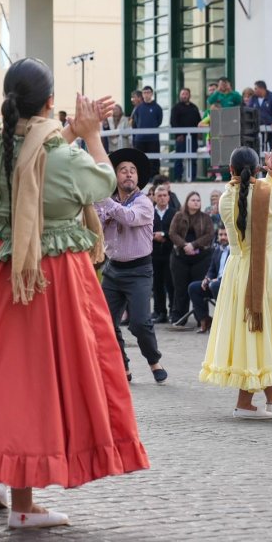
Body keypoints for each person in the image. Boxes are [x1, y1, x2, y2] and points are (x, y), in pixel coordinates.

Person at [0, 58, 149, 529]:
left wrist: (67, 132)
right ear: (51, 103)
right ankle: (23, 505)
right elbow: (102, 184)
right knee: (35, 382)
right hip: (42, 272)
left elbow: (28, 160)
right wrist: (90, 134)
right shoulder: (67, 158)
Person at [199, 144, 272, 419]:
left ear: (230, 171)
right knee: (262, 330)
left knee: (258, 333)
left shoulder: (226, 197)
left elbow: (254, 194)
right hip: (267, 272)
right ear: (257, 171)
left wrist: (271, 177)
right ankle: (244, 403)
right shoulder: (269, 195)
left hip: (239, 270)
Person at [97, 147, 169, 383]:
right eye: (123, 171)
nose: (129, 174)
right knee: (105, 322)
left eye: (133, 171)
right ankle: (123, 366)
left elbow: (129, 218)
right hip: (113, 269)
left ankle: (153, 360)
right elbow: (95, 222)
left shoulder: (144, 203)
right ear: (115, 177)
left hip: (139, 270)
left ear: (138, 178)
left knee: (139, 323)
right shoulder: (107, 202)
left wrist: (105, 201)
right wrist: (101, 209)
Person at [168, 191, 214, 327]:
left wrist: (194, 245)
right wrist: (184, 245)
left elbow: (209, 234)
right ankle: (179, 316)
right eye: (193, 200)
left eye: (198, 200)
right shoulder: (179, 216)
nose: (196, 202)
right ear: (187, 201)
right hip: (180, 257)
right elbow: (172, 233)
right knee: (180, 287)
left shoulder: (205, 218)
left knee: (198, 286)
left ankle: (201, 317)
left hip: (200, 257)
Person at [187, 225, 229, 334]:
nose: (223, 237)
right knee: (194, 287)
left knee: (214, 285)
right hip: (214, 283)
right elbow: (212, 269)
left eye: (226, 234)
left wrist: (219, 279)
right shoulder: (217, 250)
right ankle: (205, 320)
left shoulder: (235, 252)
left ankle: (221, 321)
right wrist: (207, 278)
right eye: (220, 235)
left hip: (229, 285)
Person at [151, 185, 176, 324]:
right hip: (153, 254)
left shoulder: (174, 212)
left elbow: (176, 230)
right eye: (159, 196)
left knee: (170, 283)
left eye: (164, 195)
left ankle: (173, 310)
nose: (162, 198)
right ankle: (160, 312)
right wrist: (153, 235)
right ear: (154, 197)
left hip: (170, 254)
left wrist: (164, 234)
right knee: (157, 284)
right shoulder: (149, 212)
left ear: (168, 197)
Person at [169, 87, 202, 181]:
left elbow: (199, 121)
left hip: (193, 137)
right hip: (181, 138)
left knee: (193, 159)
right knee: (179, 158)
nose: (184, 96)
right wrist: (178, 135)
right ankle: (177, 178)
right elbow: (173, 122)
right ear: (180, 95)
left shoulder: (194, 107)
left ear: (189, 95)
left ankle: (193, 177)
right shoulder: (176, 108)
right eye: (182, 94)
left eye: (186, 94)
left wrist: (199, 133)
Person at [131, 85, 164, 174]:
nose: (146, 95)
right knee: (140, 160)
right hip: (140, 139)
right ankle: (141, 178)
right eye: (144, 93)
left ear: (152, 94)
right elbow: (136, 122)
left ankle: (154, 177)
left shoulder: (157, 108)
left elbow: (159, 121)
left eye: (148, 92)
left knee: (154, 160)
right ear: (142, 94)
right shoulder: (138, 108)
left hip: (153, 138)